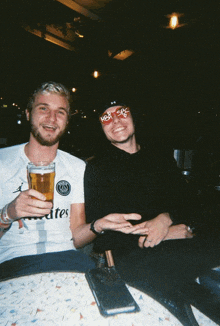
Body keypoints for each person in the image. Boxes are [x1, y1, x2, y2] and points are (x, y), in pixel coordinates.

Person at [71, 99, 220, 325]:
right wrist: (158, 235)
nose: (116, 121)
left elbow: (191, 203)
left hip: (180, 245)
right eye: (106, 117)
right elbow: (104, 232)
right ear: (101, 128)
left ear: (133, 117)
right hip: (132, 257)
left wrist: (165, 218)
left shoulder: (159, 157)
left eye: (122, 112)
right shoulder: (97, 169)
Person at [0, 81, 95, 280]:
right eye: (43, 108)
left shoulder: (77, 167)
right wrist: (8, 214)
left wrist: (101, 225)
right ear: (28, 114)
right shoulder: (2, 161)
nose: (52, 118)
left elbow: (76, 236)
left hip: (67, 261)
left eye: (61, 112)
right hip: (13, 263)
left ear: (67, 121)